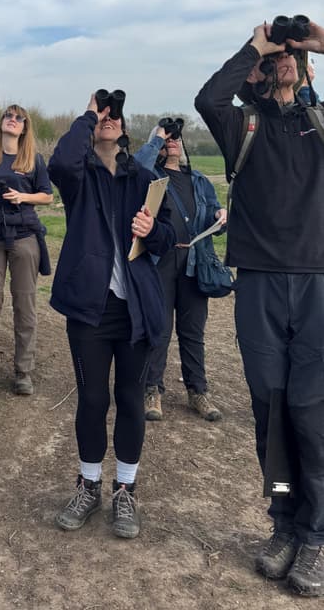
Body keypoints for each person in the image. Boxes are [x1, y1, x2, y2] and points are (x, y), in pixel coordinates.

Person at [195, 21, 324, 596]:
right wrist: (257, 47)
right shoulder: (241, 125)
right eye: (280, 56)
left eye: (295, 56)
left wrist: (318, 41)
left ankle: (316, 536)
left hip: (318, 283)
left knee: (311, 413)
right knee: (270, 414)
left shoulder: (319, 123)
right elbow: (207, 97)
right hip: (261, 285)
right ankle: (281, 526)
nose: (288, 60)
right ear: (260, 71)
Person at [48, 94, 174, 539]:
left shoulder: (144, 178)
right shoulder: (78, 177)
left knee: (131, 400)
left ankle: (125, 490)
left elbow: (169, 235)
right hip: (89, 309)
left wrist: (152, 230)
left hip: (134, 308)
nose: (108, 118)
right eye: (104, 113)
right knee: (92, 399)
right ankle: (88, 484)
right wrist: (87, 113)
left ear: (124, 130)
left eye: (114, 115)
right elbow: (61, 159)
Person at [134, 123, 227, 423]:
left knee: (193, 331)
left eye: (177, 139)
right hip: (162, 259)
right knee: (158, 328)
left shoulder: (199, 181)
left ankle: (197, 391)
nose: (173, 143)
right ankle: (152, 389)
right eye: (167, 140)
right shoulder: (152, 177)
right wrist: (156, 138)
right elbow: (135, 169)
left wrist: (220, 216)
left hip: (195, 261)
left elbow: (214, 212)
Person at [0, 104, 53, 397]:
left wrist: (22, 196)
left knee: (25, 304)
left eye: (20, 118)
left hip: (23, 235)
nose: (13, 120)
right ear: (1, 122)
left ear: (25, 127)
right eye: (9, 115)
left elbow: (47, 196)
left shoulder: (34, 160)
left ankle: (23, 371)